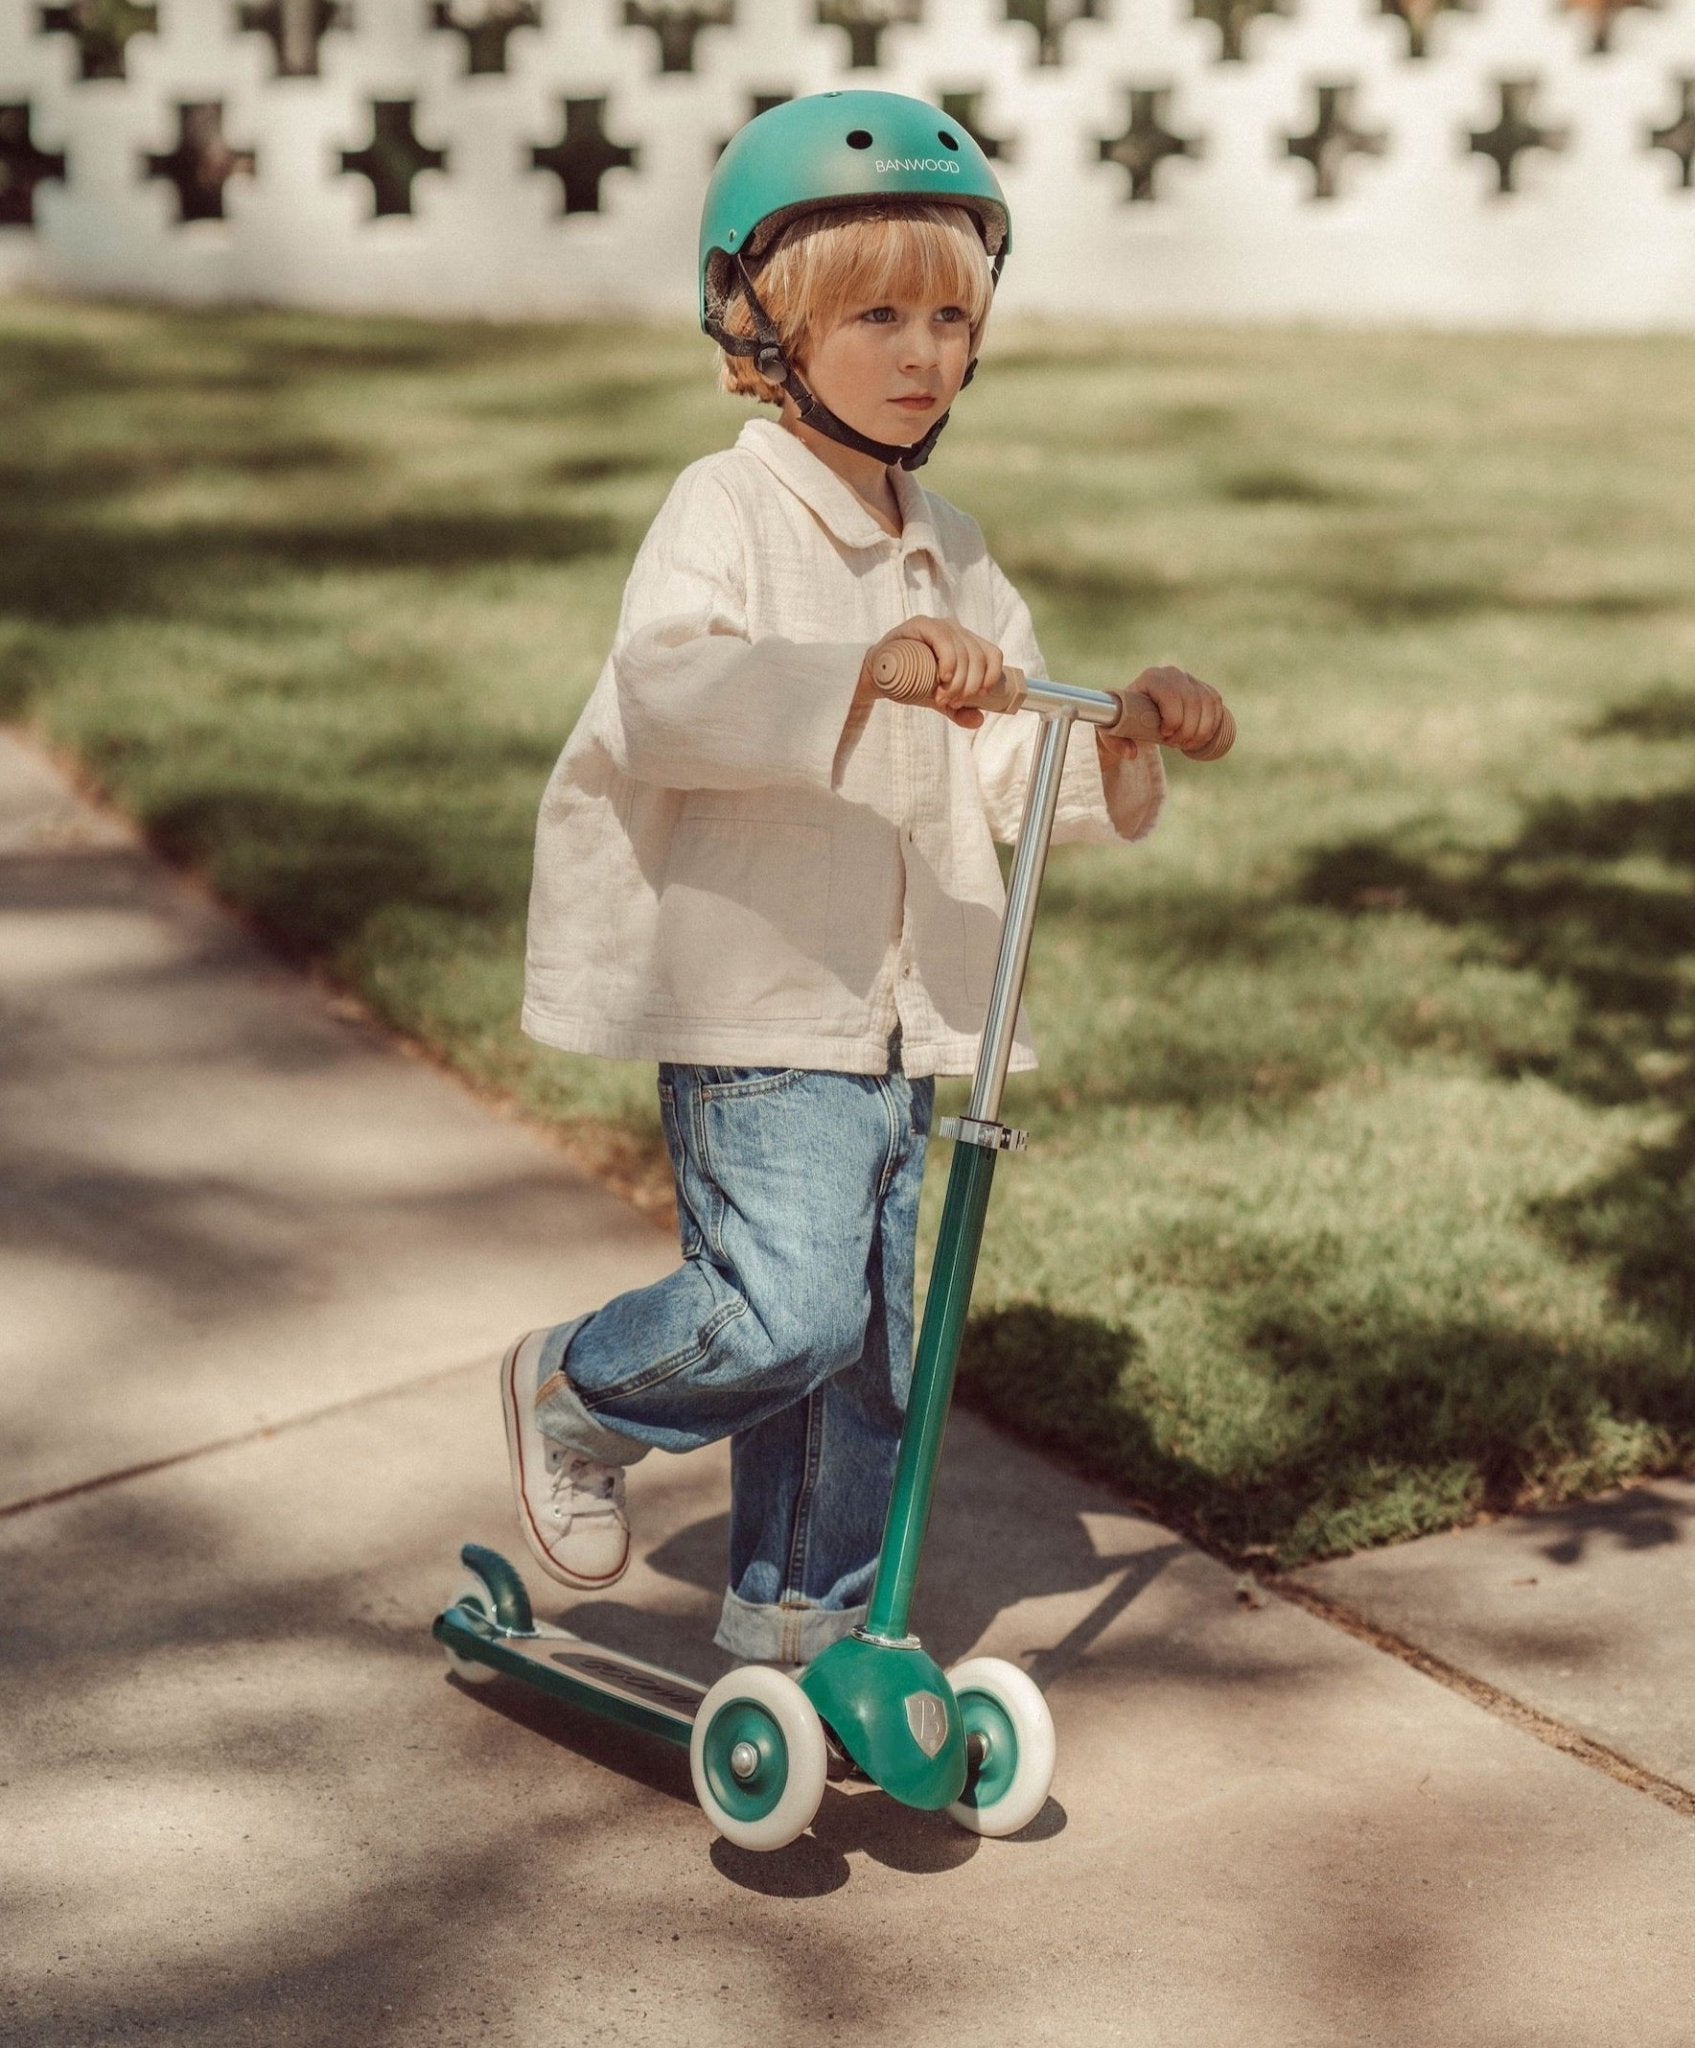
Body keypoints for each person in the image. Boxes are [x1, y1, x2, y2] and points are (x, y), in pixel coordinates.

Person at [502, 90, 1230, 1668]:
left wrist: (1121, 730)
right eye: (879, 315)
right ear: (763, 329)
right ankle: (581, 1388)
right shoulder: (726, 508)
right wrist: (860, 668)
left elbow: (1006, 774)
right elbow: (666, 691)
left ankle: (798, 1629)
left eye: (951, 317)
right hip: (765, 995)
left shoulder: (954, 546)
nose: (923, 353)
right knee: (787, 1310)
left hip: (905, 1021)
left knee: (872, 1360)